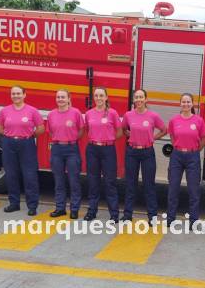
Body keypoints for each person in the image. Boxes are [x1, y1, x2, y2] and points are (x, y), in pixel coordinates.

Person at [0, 86, 44, 216]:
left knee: (30, 175)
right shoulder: (5, 111)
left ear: (24, 95)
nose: (16, 96)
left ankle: (32, 205)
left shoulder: (32, 111)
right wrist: (9, 135)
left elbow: (41, 128)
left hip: (26, 143)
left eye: (18, 93)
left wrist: (29, 136)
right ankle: (14, 203)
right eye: (13, 94)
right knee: (11, 174)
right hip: (9, 143)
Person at [121, 89, 166, 225]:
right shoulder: (128, 115)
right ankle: (127, 215)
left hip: (147, 153)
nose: (139, 100)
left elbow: (164, 130)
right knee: (130, 184)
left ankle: (152, 216)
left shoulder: (153, 115)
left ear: (146, 99)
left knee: (149, 185)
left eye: (141, 97)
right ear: (134, 100)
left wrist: (153, 138)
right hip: (132, 152)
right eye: (136, 97)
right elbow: (124, 129)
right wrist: (131, 135)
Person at [167, 93, 205, 228]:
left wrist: (195, 150)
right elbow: (173, 137)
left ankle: (193, 220)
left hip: (192, 157)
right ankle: (170, 218)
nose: (185, 104)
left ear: (192, 104)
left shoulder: (199, 121)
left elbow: (203, 139)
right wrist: (179, 148)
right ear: (180, 104)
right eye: (183, 102)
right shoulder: (174, 120)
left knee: (193, 190)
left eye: (188, 102)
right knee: (173, 188)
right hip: (177, 156)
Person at [84, 87, 122, 222]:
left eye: (101, 95)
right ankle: (92, 211)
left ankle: (114, 214)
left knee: (110, 182)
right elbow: (87, 129)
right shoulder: (89, 114)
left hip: (108, 150)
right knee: (93, 181)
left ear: (106, 97)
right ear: (93, 98)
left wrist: (108, 139)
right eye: (96, 96)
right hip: (93, 149)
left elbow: (119, 131)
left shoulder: (112, 113)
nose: (98, 98)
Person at [47, 89, 85, 219]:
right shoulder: (52, 114)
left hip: (72, 149)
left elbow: (81, 130)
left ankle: (74, 209)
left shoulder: (75, 113)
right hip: (57, 149)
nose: (60, 99)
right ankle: (60, 208)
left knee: (74, 180)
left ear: (69, 98)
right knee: (59, 181)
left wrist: (70, 139)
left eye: (63, 97)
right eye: (58, 97)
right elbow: (51, 132)